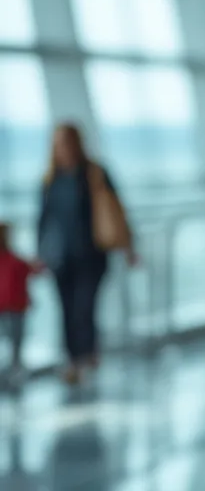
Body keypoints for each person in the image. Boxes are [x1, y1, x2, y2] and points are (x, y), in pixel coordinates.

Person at [37, 123, 136, 385]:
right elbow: (43, 220)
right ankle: (73, 360)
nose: (63, 148)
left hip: (92, 257)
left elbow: (116, 211)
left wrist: (129, 247)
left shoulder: (94, 174)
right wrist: (40, 254)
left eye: (66, 142)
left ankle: (86, 358)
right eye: (58, 144)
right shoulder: (50, 179)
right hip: (61, 259)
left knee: (84, 308)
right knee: (67, 310)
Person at [0, 221, 43, 385]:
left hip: (8, 308)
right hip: (15, 308)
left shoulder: (14, 260)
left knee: (11, 340)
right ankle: (14, 368)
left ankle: (13, 369)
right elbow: (35, 269)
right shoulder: (15, 260)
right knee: (15, 341)